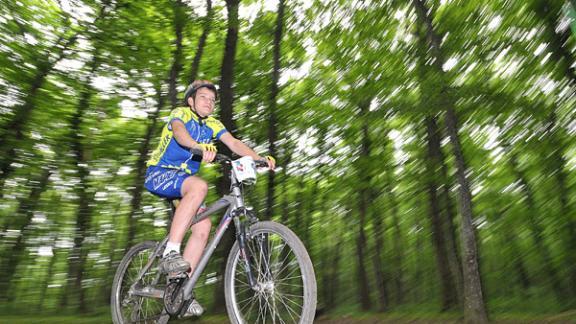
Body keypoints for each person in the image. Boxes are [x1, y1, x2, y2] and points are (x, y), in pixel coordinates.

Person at [144, 80, 275, 316]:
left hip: (182, 184)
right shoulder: (181, 113)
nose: (209, 102)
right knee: (200, 186)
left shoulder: (213, 124)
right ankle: (171, 252)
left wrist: (260, 158)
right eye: (204, 97)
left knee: (203, 226)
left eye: (213, 100)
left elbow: (233, 143)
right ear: (192, 100)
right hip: (159, 173)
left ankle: (180, 288)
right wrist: (198, 146)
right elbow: (179, 133)